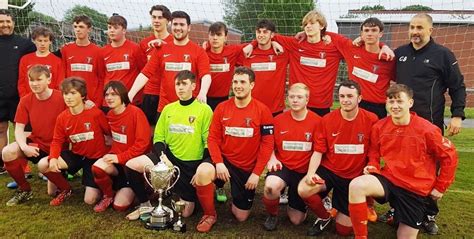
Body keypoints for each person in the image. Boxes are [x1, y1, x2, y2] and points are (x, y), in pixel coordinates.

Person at [381, 13, 466, 234]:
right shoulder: (399, 54)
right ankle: (396, 208)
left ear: (430, 30)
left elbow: (457, 86)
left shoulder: (443, 55)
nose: (415, 31)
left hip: (429, 123)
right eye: (412, 27)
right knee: (399, 167)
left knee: (428, 171)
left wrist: (457, 115)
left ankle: (428, 214)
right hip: (400, 124)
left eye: (420, 27)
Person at [348, 84, 458, 239]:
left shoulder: (427, 129)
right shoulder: (379, 126)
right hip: (390, 180)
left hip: (415, 189)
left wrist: (441, 187)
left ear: (410, 103)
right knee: (357, 185)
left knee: (405, 236)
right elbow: (373, 151)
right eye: (391, 102)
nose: (395, 106)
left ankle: (400, 217)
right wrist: (372, 164)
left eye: (400, 101)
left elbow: (450, 156)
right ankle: (360, 237)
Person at [192, 66, 274, 232]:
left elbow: (267, 144)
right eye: (235, 81)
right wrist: (219, 163)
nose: (238, 85)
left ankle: (234, 198)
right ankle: (209, 214)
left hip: (246, 166)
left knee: (241, 216)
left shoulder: (263, 110)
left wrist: (256, 173)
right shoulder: (222, 108)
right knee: (202, 172)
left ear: (252, 85)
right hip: (224, 160)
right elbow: (213, 138)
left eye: (243, 82)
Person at [124, 70, 212, 221]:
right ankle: (146, 203)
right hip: (168, 158)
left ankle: (178, 193)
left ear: (194, 86)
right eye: (177, 84)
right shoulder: (168, 109)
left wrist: (201, 167)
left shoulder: (204, 110)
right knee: (131, 164)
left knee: (186, 213)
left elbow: (208, 142)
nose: (180, 87)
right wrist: (163, 157)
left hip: (191, 164)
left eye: (184, 83)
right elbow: (158, 138)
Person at [296, 80, 378, 236]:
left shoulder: (371, 119)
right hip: (330, 171)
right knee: (303, 189)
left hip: (353, 178)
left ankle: (346, 206)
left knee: (343, 230)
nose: (345, 100)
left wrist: (372, 166)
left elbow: (374, 151)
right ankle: (324, 216)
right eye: (342, 96)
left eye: (350, 96)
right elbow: (318, 151)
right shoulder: (327, 120)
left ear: (359, 98)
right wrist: (311, 173)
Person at [38, 77, 110, 206]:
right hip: (77, 154)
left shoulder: (95, 114)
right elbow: (57, 140)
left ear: (82, 95)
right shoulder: (62, 117)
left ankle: (105, 188)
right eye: (66, 93)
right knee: (44, 164)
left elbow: (109, 133)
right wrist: (53, 158)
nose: (68, 97)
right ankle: (66, 189)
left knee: (90, 200)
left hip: (95, 158)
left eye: (73, 93)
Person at [2, 65, 66, 206]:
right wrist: (24, 147)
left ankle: (65, 184)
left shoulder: (62, 97)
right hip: (38, 144)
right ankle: (25, 189)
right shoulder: (26, 100)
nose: (34, 83)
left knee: (51, 192)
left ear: (49, 79)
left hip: (60, 147)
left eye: (39, 79)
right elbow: (19, 129)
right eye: (31, 80)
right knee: (7, 152)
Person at [261, 83, 322, 231]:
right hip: (284, 167)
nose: (295, 100)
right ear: (287, 99)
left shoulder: (318, 121)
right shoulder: (278, 120)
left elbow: (318, 151)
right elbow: (268, 144)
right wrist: (272, 158)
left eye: (299, 97)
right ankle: (273, 214)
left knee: (296, 220)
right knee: (270, 187)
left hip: (303, 172)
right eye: (292, 97)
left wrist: (310, 174)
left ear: (307, 100)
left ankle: (296, 199)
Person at [128, 11, 211, 114]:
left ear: (189, 27)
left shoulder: (198, 51)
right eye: (175, 24)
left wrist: (203, 92)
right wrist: (131, 94)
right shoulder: (161, 49)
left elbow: (206, 75)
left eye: (182, 24)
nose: (178, 28)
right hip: (165, 109)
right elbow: (145, 73)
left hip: (190, 108)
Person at [91, 81, 150, 212]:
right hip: (117, 160)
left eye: (113, 94)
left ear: (122, 95)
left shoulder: (136, 113)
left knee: (120, 206)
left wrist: (120, 157)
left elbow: (142, 144)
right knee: (97, 167)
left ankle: (141, 187)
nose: (109, 98)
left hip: (132, 164)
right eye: (106, 94)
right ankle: (108, 196)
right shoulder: (111, 114)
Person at [331, 17, 395, 119]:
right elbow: (328, 34)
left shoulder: (388, 58)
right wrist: (304, 32)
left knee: (374, 134)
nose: (369, 33)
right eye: (366, 30)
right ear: (361, 34)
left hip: (377, 107)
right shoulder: (352, 48)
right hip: (355, 103)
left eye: (374, 30)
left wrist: (384, 46)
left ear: (381, 34)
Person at [0, 9, 36, 174]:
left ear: (13, 23)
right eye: (1, 22)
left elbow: (37, 61)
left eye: (8, 21)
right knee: (1, 130)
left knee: (21, 130)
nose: (5, 25)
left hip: (18, 97)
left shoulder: (25, 44)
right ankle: (3, 164)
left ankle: (23, 165)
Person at [240, 19, 289, 115]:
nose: (261, 35)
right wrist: (206, 45)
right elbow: (222, 50)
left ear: (272, 35)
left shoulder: (282, 53)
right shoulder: (246, 52)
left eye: (265, 32)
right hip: (252, 108)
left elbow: (301, 43)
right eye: (258, 32)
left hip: (275, 110)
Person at [101, 14, 146, 108]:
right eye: (109, 27)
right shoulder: (103, 51)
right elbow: (101, 76)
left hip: (130, 101)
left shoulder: (135, 49)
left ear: (124, 30)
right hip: (110, 102)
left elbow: (144, 73)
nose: (112, 30)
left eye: (116, 27)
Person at [139, 5, 173, 125]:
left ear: (168, 20)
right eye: (154, 17)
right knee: (149, 131)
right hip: (149, 94)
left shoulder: (174, 42)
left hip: (168, 94)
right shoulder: (144, 44)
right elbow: (142, 70)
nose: (156, 20)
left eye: (160, 17)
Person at [61, 15, 104, 106]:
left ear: (89, 29)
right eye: (75, 27)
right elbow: (63, 76)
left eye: (81, 27)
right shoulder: (66, 49)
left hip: (91, 102)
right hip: (71, 100)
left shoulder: (98, 51)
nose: (77, 30)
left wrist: (97, 101)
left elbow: (101, 78)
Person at [18, 26, 64, 97]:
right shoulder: (25, 59)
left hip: (50, 101)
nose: (42, 44)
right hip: (30, 100)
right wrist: (25, 99)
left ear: (50, 42)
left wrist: (54, 99)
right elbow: (21, 83)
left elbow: (59, 84)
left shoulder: (57, 61)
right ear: (34, 41)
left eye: (45, 40)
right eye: (39, 40)